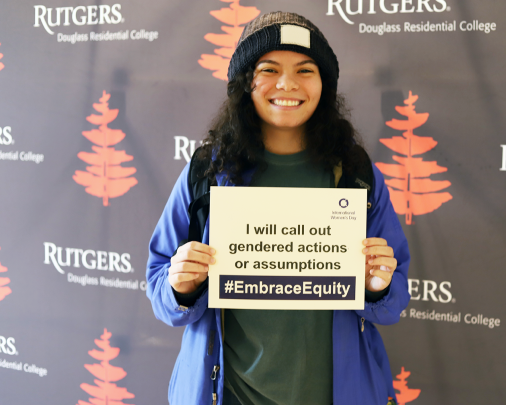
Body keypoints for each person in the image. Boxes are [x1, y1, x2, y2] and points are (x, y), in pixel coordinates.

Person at [147, 11, 410, 405]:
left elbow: (392, 303)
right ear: (244, 84)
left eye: (306, 70)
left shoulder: (356, 173)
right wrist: (180, 286)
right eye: (268, 69)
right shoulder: (207, 170)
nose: (287, 84)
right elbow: (159, 286)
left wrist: (379, 285)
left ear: (325, 84)